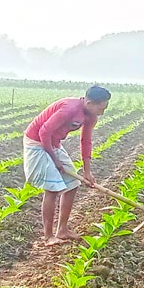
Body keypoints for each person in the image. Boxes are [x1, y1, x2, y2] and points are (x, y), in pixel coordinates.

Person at [23, 85, 111, 246]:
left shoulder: (91, 117)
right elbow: (43, 132)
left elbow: (86, 141)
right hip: (36, 142)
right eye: (101, 108)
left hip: (54, 143)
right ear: (90, 103)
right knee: (52, 188)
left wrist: (87, 171)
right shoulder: (68, 108)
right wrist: (54, 161)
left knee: (73, 184)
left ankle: (62, 230)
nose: (102, 112)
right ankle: (48, 236)